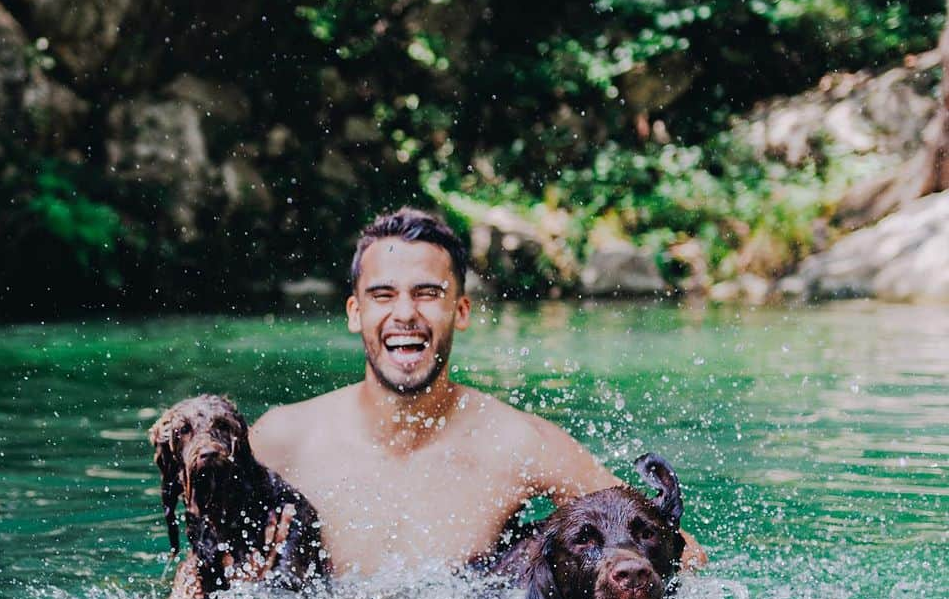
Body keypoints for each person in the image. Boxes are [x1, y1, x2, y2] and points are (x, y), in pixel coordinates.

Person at [250, 208, 704, 578]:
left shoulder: (518, 443)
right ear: (355, 312)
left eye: (427, 293)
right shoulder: (283, 440)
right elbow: (198, 573)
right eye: (383, 295)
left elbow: (680, 552)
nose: (405, 313)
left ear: (460, 310)